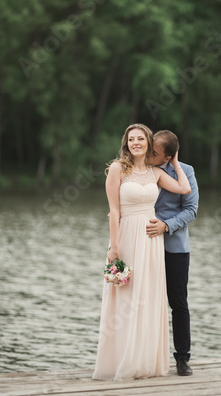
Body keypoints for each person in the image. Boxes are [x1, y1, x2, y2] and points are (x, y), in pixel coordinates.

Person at [92, 123, 191, 381]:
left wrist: (176, 162)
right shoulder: (117, 169)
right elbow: (114, 210)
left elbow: (184, 190)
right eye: (131, 139)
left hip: (151, 243)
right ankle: (120, 360)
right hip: (125, 237)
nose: (136, 142)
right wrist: (114, 246)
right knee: (124, 298)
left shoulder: (156, 172)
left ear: (148, 142)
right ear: (126, 143)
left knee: (147, 298)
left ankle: (144, 361)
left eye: (140, 139)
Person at [147, 130, 199, 376]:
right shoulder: (140, 168)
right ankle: (145, 357)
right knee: (144, 302)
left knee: (177, 302)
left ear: (167, 157)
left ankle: (182, 359)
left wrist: (166, 226)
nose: (148, 153)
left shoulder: (186, 171)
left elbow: (191, 210)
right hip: (144, 247)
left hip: (174, 248)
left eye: (154, 152)